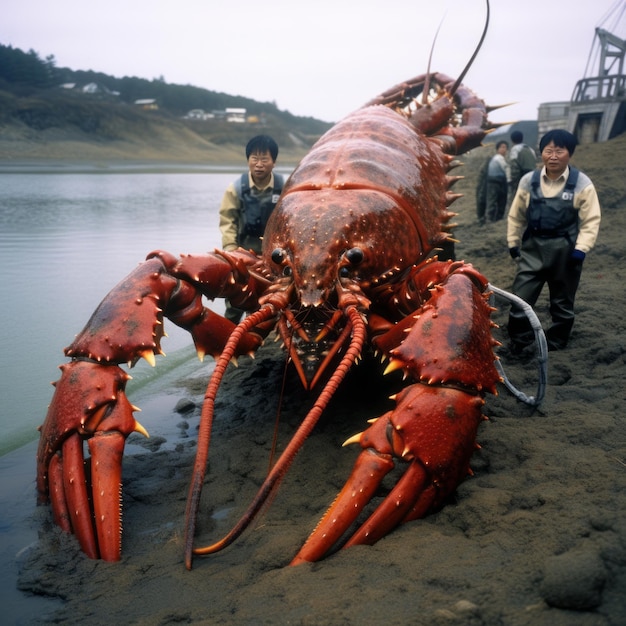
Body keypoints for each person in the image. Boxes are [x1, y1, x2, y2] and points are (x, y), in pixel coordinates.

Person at [506, 129, 601, 352]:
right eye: (548, 150)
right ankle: (520, 341)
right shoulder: (528, 181)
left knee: (562, 303)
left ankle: (556, 342)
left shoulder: (582, 184)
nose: (554, 156)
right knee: (521, 298)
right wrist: (513, 242)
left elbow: (591, 220)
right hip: (533, 250)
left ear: (570, 153)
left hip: (566, 253)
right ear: (541, 153)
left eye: (560, 150)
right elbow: (516, 215)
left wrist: (581, 249)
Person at [219, 134, 284, 322]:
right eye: (254, 158)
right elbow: (227, 220)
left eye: (264, 159)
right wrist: (231, 250)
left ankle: (266, 333)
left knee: (272, 298)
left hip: (274, 255)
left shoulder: (284, 187)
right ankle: (229, 331)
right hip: (242, 252)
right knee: (236, 297)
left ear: (274, 162)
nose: (259, 164)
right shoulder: (236, 188)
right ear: (248, 160)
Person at [486, 140, 511, 222]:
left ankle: (493, 218)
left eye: (505, 148)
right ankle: (493, 218)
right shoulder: (498, 158)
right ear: (497, 149)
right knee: (495, 200)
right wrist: (509, 180)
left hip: (496, 181)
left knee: (496, 200)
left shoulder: (497, 158)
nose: (504, 149)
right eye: (502, 147)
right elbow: (506, 168)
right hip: (495, 181)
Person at [508, 130, 537, 195]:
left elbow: (514, 166)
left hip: (521, 178)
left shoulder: (515, 149)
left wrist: (513, 182)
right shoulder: (530, 149)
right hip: (532, 177)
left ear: (512, 140)